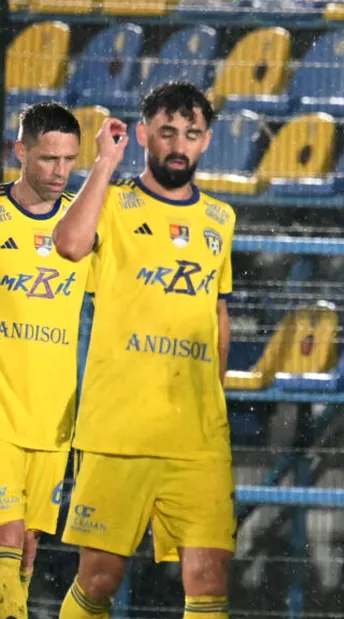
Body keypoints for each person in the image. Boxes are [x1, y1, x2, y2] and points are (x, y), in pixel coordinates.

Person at [52, 81, 236, 619]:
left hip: (196, 437)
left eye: (192, 134)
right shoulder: (111, 203)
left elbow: (218, 314)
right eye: (167, 132)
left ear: (207, 141)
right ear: (142, 135)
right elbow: (68, 244)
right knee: (99, 580)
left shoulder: (221, 219)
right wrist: (105, 165)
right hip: (119, 430)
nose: (179, 145)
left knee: (209, 577)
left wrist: (213, 402)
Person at [0, 101, 85, 619]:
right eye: (49, 158)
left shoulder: (82, 228)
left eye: (69, 159)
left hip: (53, 418)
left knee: (28, 546)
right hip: (1, 414)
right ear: (21, 152)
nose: (60, 171)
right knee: (6, 534)